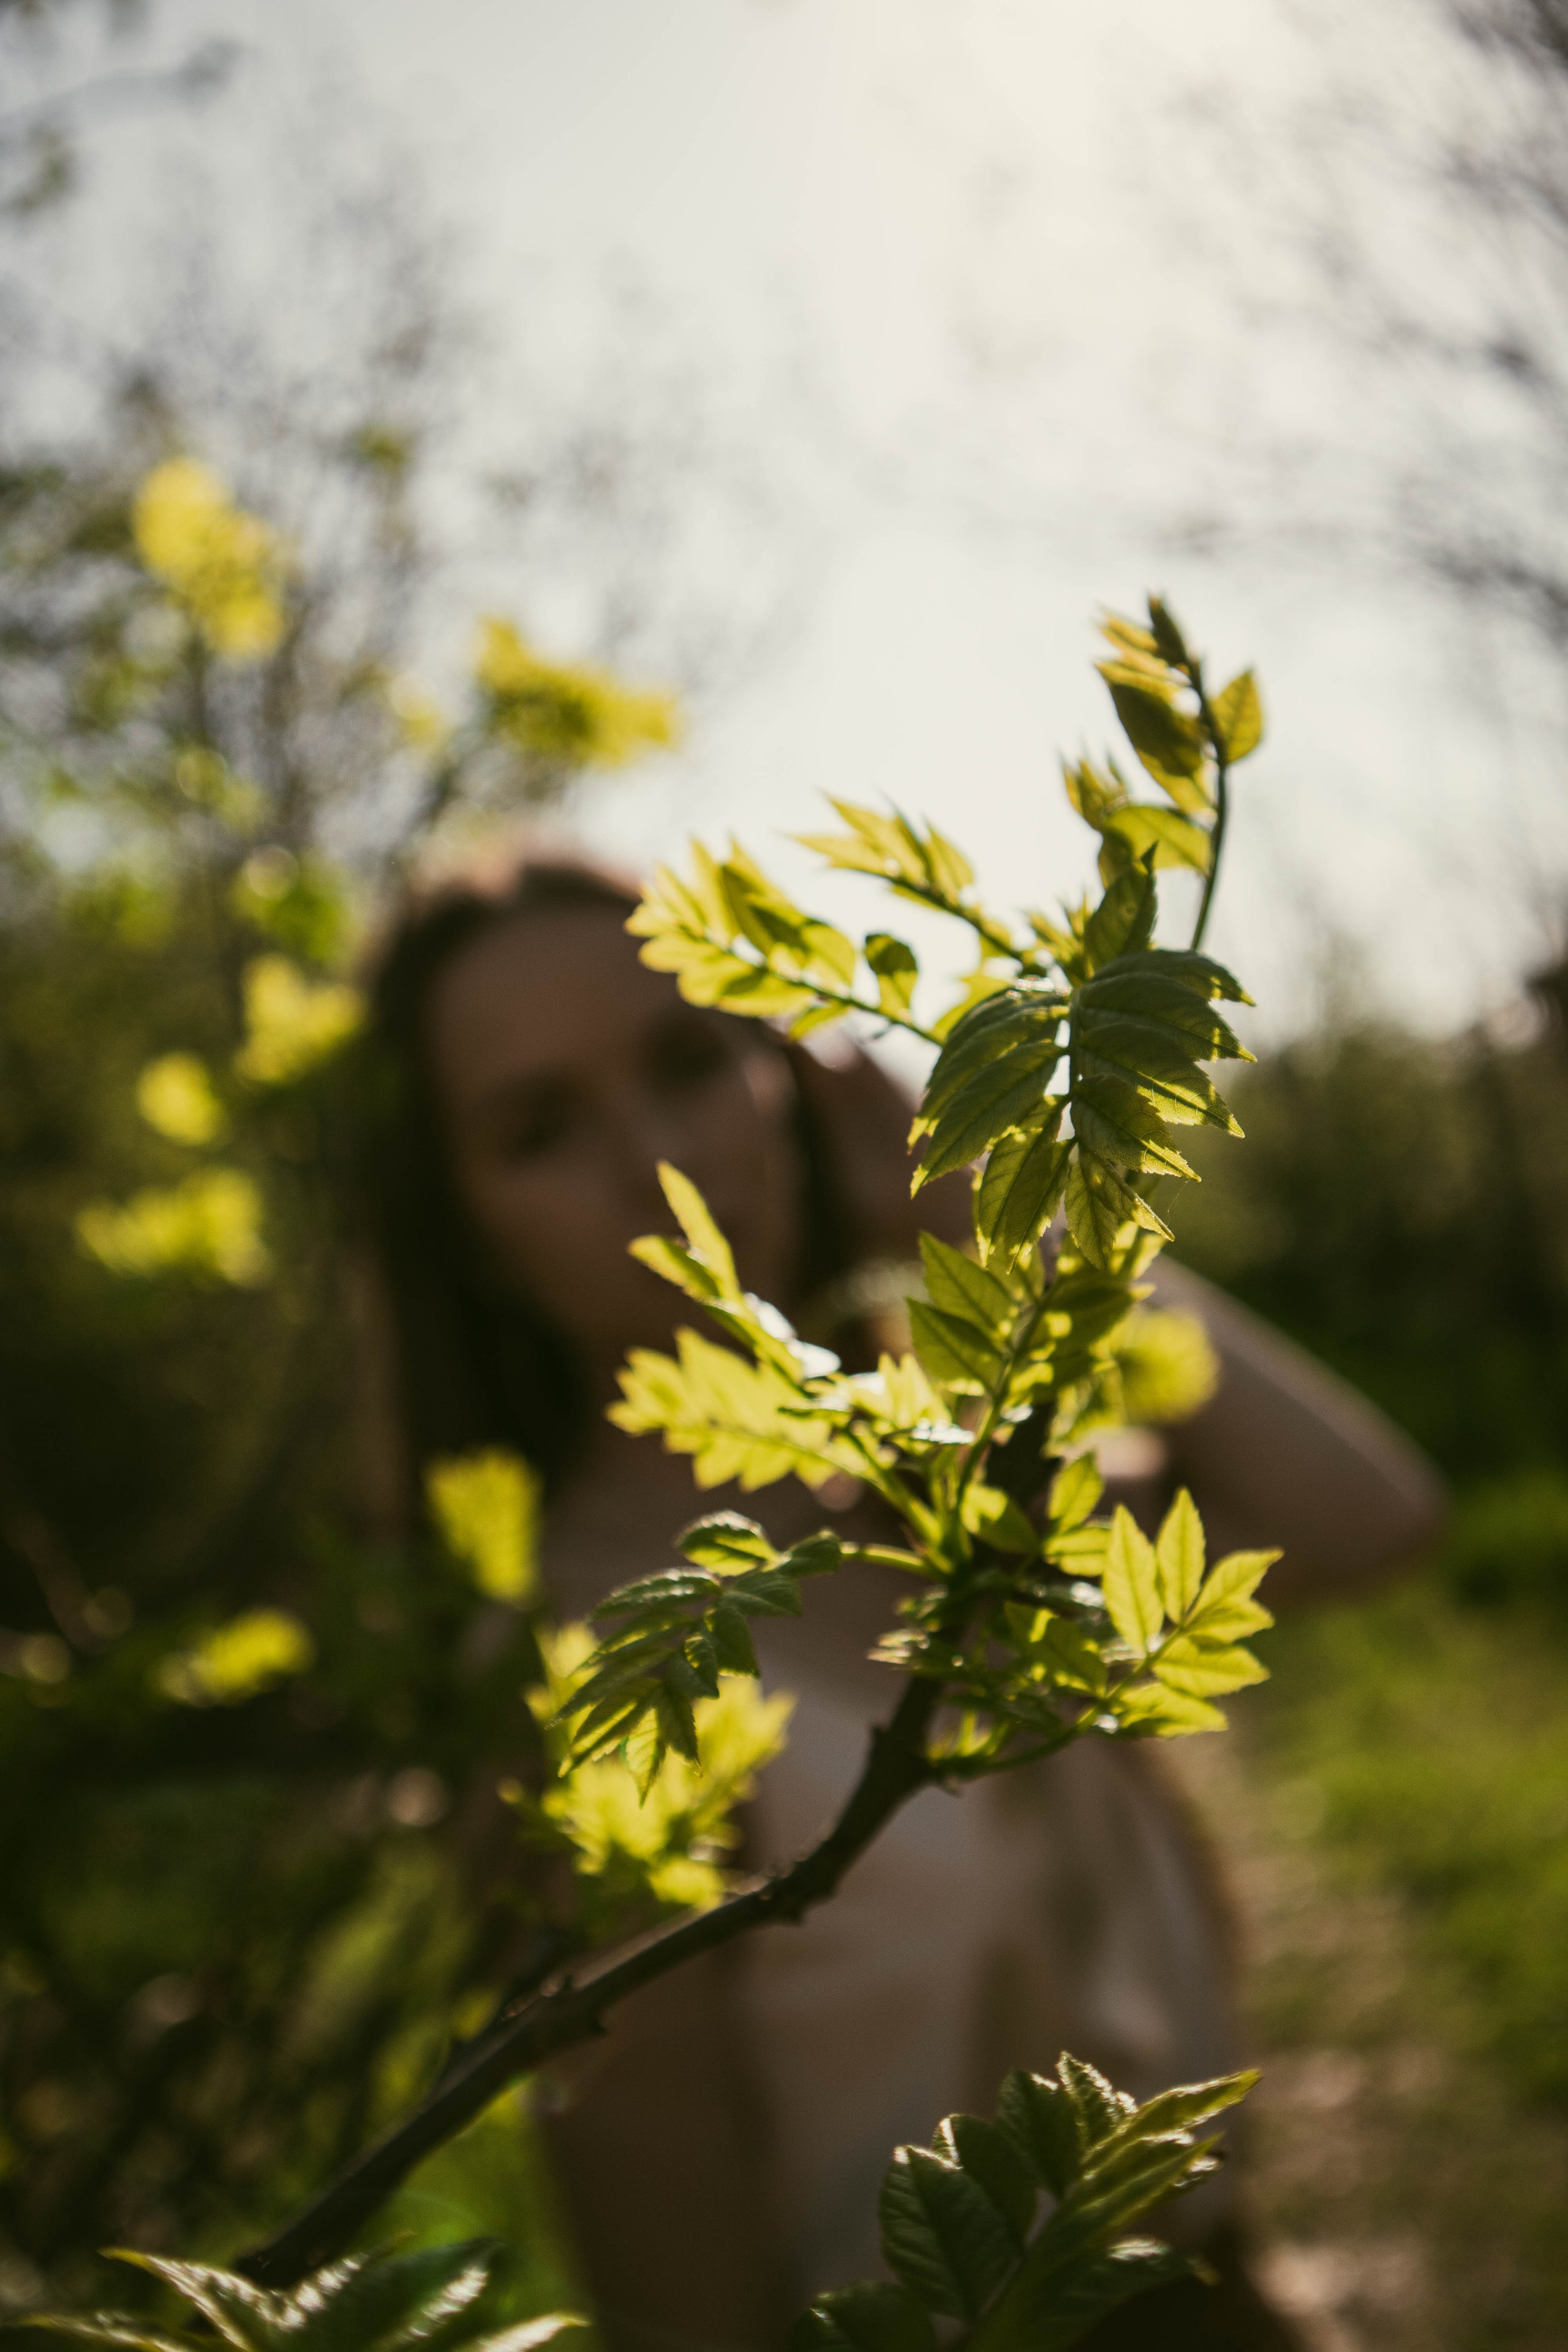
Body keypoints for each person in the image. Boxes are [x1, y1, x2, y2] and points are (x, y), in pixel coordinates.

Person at [353, 842, 1446, 2352]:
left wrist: (996, 1218)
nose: (656, 1160)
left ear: (788, 1079)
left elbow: (1367, 1519)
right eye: (539, 1128)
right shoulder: (566, 1667)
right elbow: (692, 2310)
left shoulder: (950, 1469)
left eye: (687, 1058)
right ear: (463, 1235)